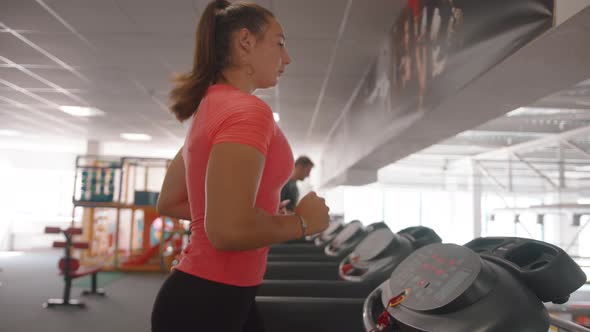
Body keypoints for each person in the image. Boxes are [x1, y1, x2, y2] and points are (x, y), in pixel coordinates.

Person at [150, 1, 330, 331]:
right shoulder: (248, 111)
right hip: (208, 303)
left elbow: (171, 202)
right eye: (279, 42)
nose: (286, 58)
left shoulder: (209, 108)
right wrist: (304, 223)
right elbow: (227, 231)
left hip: (211, 294)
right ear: (245, 42)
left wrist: (260, 217)